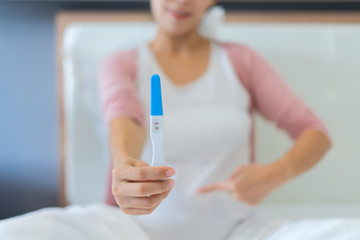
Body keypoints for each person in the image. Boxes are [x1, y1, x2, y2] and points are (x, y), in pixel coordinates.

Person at [98, 0, 333, 239]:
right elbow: (126, 120)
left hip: (236, 230)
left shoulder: (241, 60)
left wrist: (275, 174)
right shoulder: (121, 63)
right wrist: (124, 164)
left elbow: (316, 134)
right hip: (133, 230)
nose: (182, 2)